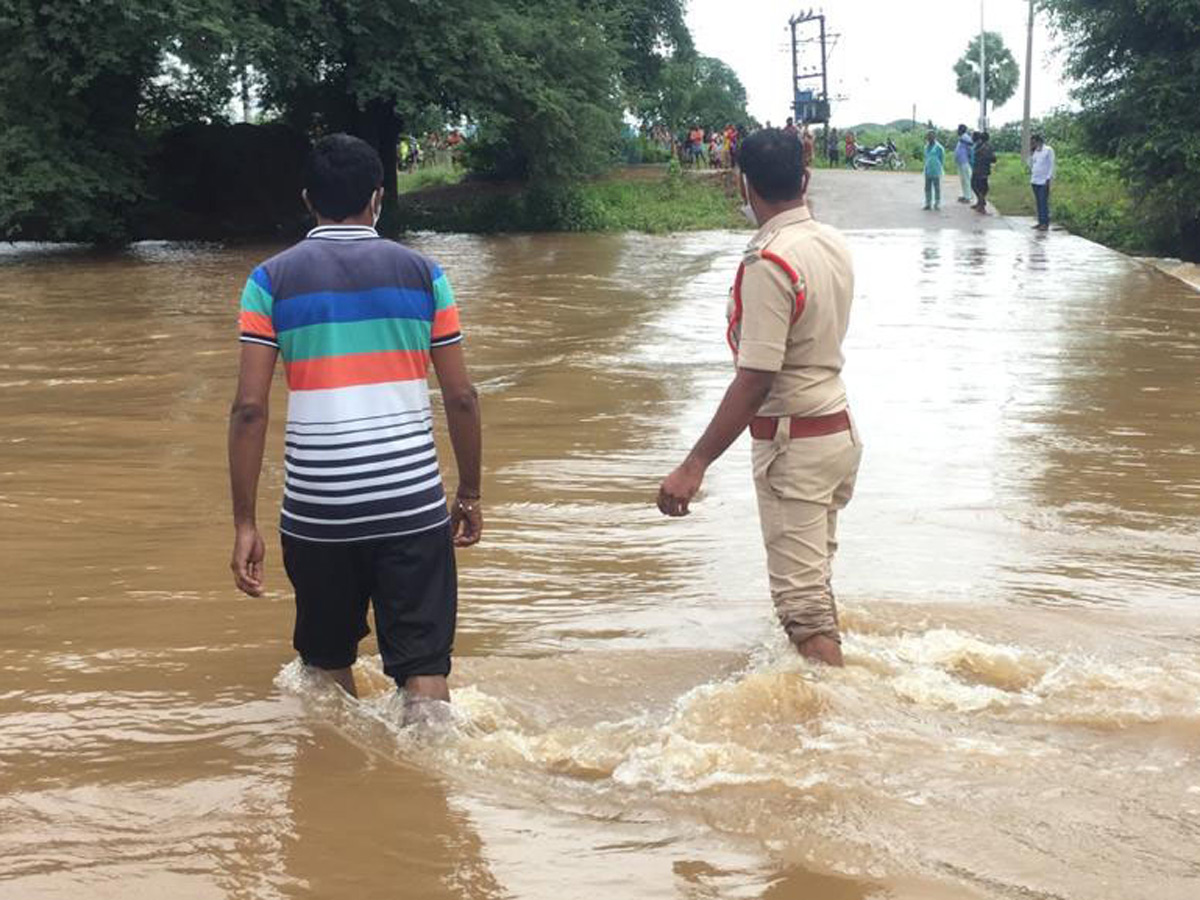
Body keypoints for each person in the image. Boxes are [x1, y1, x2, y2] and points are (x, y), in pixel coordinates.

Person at [227, 134, 483, 712]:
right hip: (410, 505)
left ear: (306, 199)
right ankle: (430, 787)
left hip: (317, 512)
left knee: (326, 672)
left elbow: (249, 409)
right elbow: (462, 397)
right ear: (378, 198)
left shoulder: (269, 281)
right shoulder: (424, 275)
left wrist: (245, 522)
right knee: (424, 674)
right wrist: (468, 492)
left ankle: (340, 787)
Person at [657, 128, 861, 667]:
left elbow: (756, 378)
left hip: (794, 445)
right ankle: (824, 706)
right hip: (835, 434)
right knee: (813, 589)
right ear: (806, 177)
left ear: (744, 187)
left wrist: (693, 464)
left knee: (802, 611)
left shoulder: (768, 261)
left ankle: (839, 726)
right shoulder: (829, 241)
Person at [1029, 133, 1056, 231]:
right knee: (1038, 202)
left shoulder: (1048, 150)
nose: (1032, 144)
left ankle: (1045, 223)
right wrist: (1031, 152)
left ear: (1038, 141)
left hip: (1044, 181)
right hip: (1035, 180)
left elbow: (1052, 165)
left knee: (1043, 201)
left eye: (1033, 142)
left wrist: (1049, 178)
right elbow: (1032, 164)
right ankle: (1040, 222)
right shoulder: (1035, 151)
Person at [971, 132, 996, 214]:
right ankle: (980, 202)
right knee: (983, 187)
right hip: (985, 169)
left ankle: (981, 205)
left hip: (978, 169)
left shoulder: (980, 146)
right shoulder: (990, 147)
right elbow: (994, 159)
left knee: (977, 186)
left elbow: (975, 154)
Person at [923, 129, 945, 210]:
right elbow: (926, 158)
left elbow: (942, 160)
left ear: (935, 137)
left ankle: (937, 203)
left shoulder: (939, 147)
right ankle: (928, 203)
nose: (929, 137)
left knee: (937, 187)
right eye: (928, 136)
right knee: (927, 187)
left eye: (931, 136)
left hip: (936, 170)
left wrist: (940, 169)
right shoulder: (926, 147)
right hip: (928, 170)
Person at [954, 125, 974, 204]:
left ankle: (968, 197)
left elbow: (971, 143)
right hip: (960, 161)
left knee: (966, 179)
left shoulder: (965, 137)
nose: (957, 131)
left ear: (962, 130)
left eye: (958, 129)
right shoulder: (962, 137)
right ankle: (965, 195)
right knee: (963, 179)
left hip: (964, 161)